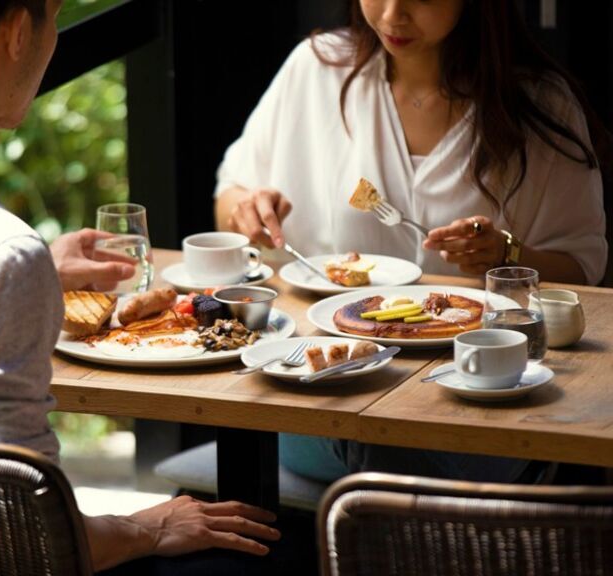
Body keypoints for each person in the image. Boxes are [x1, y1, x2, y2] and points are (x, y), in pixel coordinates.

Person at [0, 1, 283, 573]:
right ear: (18, 32)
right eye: (53, 15)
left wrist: (30, 275)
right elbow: (17, 533)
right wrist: (142, 529)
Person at [213, 0, 608, 483]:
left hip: (475, 387)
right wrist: (247, 208)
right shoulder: (317, 69)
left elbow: (583, 266)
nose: (393, 14)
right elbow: (231, 192)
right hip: (332, 383)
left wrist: (506, 256)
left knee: (403, 446)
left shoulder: (539, 102)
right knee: (376, 439)